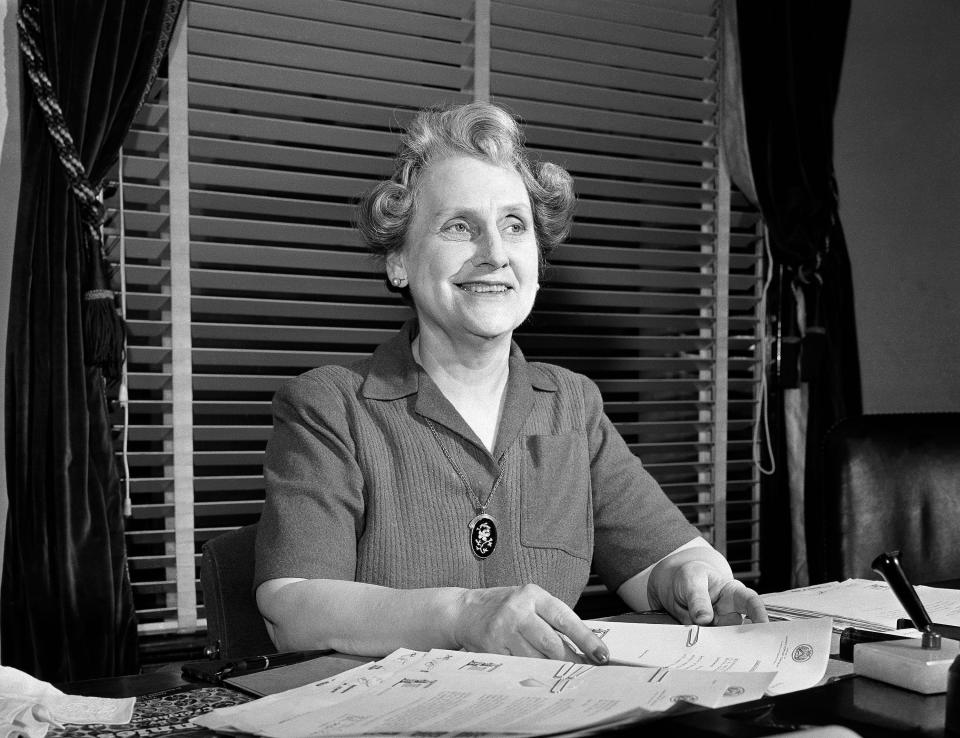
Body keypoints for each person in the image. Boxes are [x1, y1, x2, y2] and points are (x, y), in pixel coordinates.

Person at [254, 101, 767, 665]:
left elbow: (664, 561)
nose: (494, 254)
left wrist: (694, 579)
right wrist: (463, 615)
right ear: (398, 260)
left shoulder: (573, 405)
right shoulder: (329, 405)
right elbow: (291, 609)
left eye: (513, 226)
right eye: (459, 226)